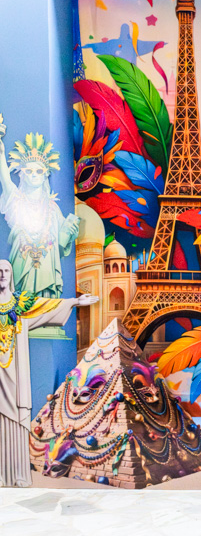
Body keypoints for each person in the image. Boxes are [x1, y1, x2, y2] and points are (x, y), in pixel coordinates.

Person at [0, 259, 99, 487]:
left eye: (6, 270)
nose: (2, 274)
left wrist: (75, 301)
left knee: (16, 420)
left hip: (15, 371)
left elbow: (46, 306)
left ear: (11, 275)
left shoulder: (22, 306)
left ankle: (16, 474)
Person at [0, 123, 79, 299]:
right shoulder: (15, 200)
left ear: (45, 175)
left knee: (47, 306)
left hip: (47, 267)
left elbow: (62, 243)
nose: (34, 174)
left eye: (38, 170)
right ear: (22, 174)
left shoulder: (52, 208)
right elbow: (4, 177)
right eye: (29, 171)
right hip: (21, 263)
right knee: (22, 305)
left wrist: (70, 231)